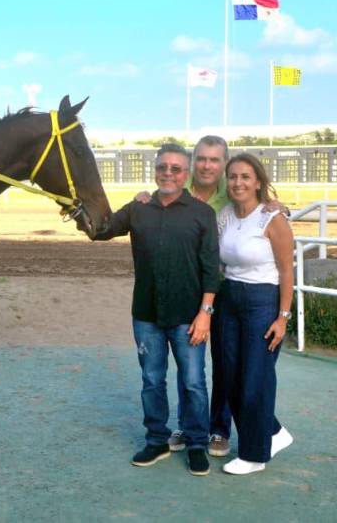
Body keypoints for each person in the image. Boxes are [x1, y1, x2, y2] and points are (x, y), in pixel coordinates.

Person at [135, 136, 285, 459]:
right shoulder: (177, 187)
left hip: (225, 292)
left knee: (223, 365)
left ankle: (219, 427)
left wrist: (276, 204)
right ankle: (187, 424)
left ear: (223, 165)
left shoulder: (230, 194)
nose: (207, 165)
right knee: (188, 362)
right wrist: (143, 198)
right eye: (201, 159)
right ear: (193, 162)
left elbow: (258, 210)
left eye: (215, 160)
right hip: (188, 293)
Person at [95, 143, 220, 477]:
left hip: (188, 317)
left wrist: (205, 312)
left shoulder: (201, 213)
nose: (168, 173)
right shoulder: (139, 208)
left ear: (186, 173)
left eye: (176, 168)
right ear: (155, 170)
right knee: (152, 380)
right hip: (147, 315)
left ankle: (196, 443)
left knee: (193, 382)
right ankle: (157, 440)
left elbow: (211, 270)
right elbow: (101, 229)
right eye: (163, 167)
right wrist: (78, 207)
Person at [216, 153, 295, 475]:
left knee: (255, 380)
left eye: (245, 177)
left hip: (263, 301)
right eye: (233, 177)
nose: (238, 183)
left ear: (258, 182)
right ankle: (273, 432)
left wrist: (282, 317)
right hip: (229, 298)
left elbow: (287, 271)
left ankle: (254, 455)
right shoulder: (225, 215)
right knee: (230, 379)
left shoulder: (272, 219)